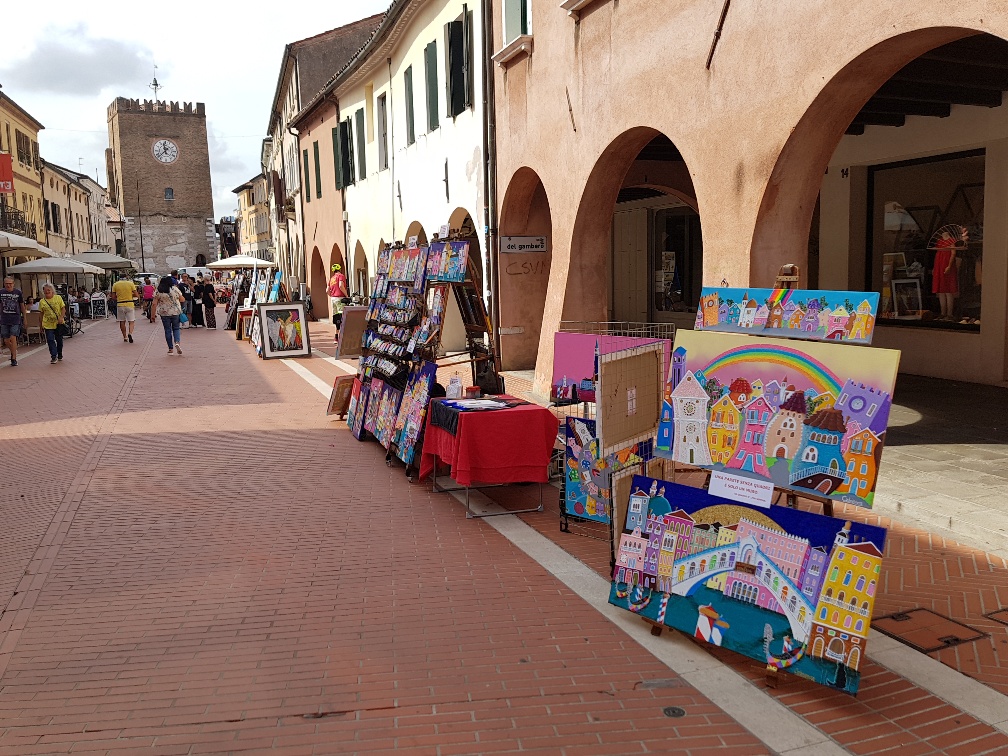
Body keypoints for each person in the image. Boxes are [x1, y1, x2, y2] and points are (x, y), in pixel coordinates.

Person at [153, 275, 185, 355]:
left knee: (167, 330)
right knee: (176, 328)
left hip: (164, 313)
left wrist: (152, 315)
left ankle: (170, 349)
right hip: (175, 312)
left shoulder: (158, 291)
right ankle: (177, 342)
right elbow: (182, 299)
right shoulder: (174, 289)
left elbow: (154, 304)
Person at [1, 276, 27, 366]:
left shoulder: (18, 293)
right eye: (7, 283)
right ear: (4, 284)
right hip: (4, 319)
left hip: (15, 318)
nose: (8, 285)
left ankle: (14, 358)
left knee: (13, 337)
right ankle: (13, 350)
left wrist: (25, 318)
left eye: (10, 283)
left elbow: (22, 306)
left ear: (13, 284)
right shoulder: (1, 292)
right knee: (6, 340)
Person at [39, 282, 66, 364]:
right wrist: (40, 325)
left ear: (52, 291)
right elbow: (41, 314)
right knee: (50, 340)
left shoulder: (58, 298)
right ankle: (54, 356)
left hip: (58, 323)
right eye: (45, 290)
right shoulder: (42, 301)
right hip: (48, 324)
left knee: (59, 340)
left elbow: (63, 308)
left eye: (48, 290)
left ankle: (60, 353)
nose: (47, 292)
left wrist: (61, 317)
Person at [110, 274, 139, 342]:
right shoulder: (130, 283)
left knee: (122, 321)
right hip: (129, 304)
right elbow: (137, 295)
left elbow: (113, 297)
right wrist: (131, 295)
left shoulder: (115, 284)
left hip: (120, 304)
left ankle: (125, 337)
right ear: (126, 278)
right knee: (131, 321)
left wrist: (119, 297)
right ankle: (130, 333)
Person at [327, 263, 348, 327]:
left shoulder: (332, 279)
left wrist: (332, 295)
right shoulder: (341, 276)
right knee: (341, 316)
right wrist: (346, 295)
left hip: (333, 299)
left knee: (336, 317)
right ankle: (342, 334)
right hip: (340, 298)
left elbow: (327, 290)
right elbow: (341, 286)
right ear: (339, 269)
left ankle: (336, 334)